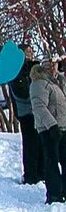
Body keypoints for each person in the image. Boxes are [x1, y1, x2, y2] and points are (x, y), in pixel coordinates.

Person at [31, 58, 66, 204]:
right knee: (51, 161)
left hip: (62, 127)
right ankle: (54, 194)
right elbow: (39, 106)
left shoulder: (56, 83)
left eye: (54, 65)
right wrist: (52, 125)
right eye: (48, 66)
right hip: (49, 129)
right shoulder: (39, 84)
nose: (52, 68)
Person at [11, 44, 43, 186]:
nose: (30, 54)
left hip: (37, 111)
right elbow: (21, 92)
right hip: (26, 112)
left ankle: (41, 172)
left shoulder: (33, 67)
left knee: (40, 144)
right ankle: (31, 175)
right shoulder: (16, 69)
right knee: (30, 144)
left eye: (31, 51)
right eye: (27, 52)